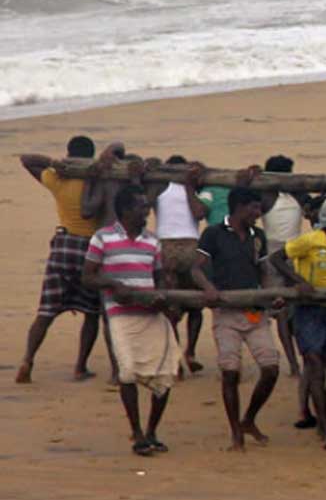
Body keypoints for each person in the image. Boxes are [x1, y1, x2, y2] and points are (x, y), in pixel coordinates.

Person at [82, 185, 180, 456]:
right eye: (141, 207)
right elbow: (87, 276)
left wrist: (163, 296)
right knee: (127, 372)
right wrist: (114, 284)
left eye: (146, 207)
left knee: (164, 374)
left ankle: (151, 431)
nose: (146, 211)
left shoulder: (152, 241)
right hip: (120, 314)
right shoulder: (102, 238)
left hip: (151, 314)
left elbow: (159, 278)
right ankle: (136, 432)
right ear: (125, 210)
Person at [16, 136, 111, 384]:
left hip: (63, 247)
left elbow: (27, 160)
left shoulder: (58, 178)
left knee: (46, 311)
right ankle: (80, 366)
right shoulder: (97, 179)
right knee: (92, 312)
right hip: (91, 248)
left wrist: (55, 163)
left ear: (68, 154)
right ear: (91, 156)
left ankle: (27, 359)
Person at [192, 187, 279, 452]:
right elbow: (195, 267)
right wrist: (208, 287)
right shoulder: (213, 234)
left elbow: (263, 270)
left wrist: (269, 294)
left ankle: (248, 419)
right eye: (254, 208)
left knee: (271, 368)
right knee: (230, 372)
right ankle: (236, 433)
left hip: (254, 311)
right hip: (226, 313)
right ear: (240, 207)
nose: (258, 213)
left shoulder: (258, 236)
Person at [271, 195, 326, 449]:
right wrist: (299, 281)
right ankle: (324, 427)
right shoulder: (310, 240)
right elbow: (277, 258)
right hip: (308, 310)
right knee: (315, 363)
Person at [147, 156, 207, 375]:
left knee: (196, 305)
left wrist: (191, 186)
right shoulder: (161, 186)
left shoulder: (195, 188)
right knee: (172, 307)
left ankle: (189, 352)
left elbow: (200, 213)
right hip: (167, 245)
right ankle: (177, 356)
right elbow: (146, 201)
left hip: (189, 244)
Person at [260, 155, 306, 380]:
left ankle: (299, 359)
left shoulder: (295, 193)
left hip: (296, 250)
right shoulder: (267, 195)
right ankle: (292, 362)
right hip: (273, 252)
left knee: (296, 309)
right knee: (281, 311)